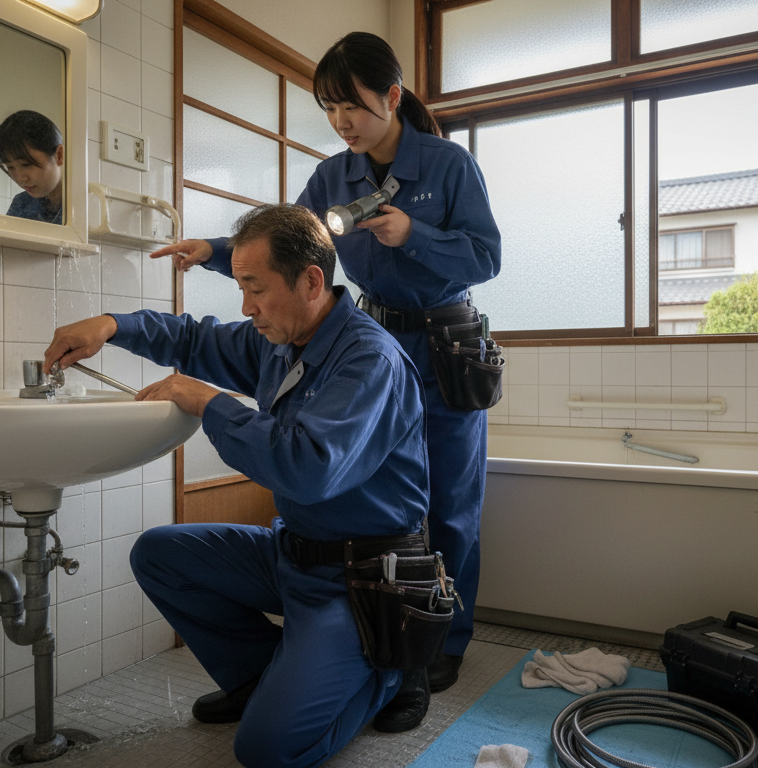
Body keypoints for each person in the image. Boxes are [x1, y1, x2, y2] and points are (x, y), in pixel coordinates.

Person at [149, 31, 500, 731]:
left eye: (353, 106)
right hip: (371, 336)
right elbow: (292, 243)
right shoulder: (334, 176)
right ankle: (344, 644)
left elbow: (486, 256)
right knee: (375, 492)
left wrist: (416, 235)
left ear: (392, 96)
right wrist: (212, 250)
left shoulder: (449, 164)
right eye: (331, 109)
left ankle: (436, 645)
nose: (342, 122)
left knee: (449, 506)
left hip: (444, 346)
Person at [42, 204, 430, 768]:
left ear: (311, 281)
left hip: (360, 578)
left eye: (256, 288)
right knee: (160, 554)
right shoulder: (280, 340)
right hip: (293, 555)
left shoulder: (369, 360)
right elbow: (195, 340)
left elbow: (306, 469)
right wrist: (112, 325)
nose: (246, 307)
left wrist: (211, 402)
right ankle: (260, 678)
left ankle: (388, 671)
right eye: (241, 288)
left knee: (266, 750)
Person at [0, 109, 65, 224]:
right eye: (10, 167)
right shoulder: (21, 203)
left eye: (26, 164)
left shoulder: (87, 202)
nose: (20, 178)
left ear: (59, 155)